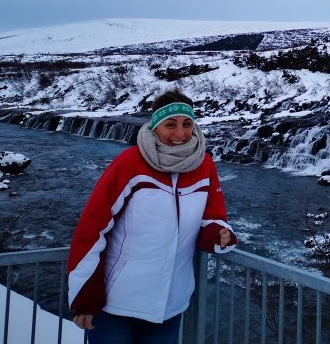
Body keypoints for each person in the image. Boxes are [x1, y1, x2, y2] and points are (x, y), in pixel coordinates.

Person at [67, 89, 236, 342]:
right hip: (117, 303)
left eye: (187, 124)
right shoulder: (130, 163)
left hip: (171, 305)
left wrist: (217, 234)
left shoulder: (205, 165)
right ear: (155, 126)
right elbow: (93, 228)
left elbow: (213, 214)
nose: (181, 134)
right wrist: (85, 296)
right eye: (171, 125)